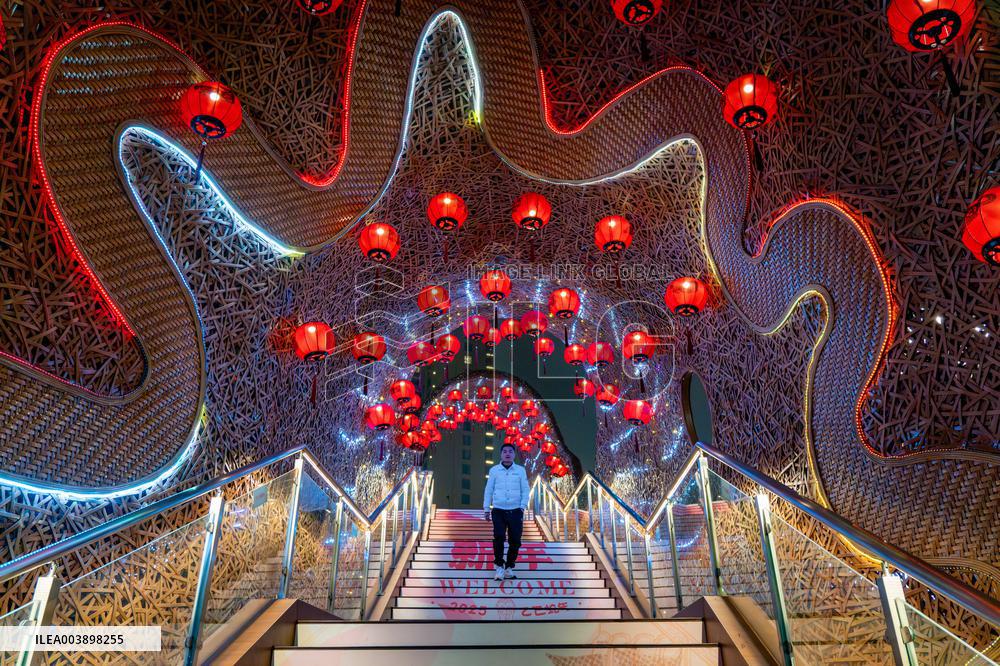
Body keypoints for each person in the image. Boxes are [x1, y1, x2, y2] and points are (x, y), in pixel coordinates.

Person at [483, 442, 530, 581]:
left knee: (515, 540)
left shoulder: (520, 470)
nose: (508, 453)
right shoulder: (494, 470)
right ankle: (499, 567)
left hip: (516, 510)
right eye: (505, 451)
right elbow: (489, 489)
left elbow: (525, 489)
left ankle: (509, 568)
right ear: (501, 454)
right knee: (498, 537)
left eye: (510, 451)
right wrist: (486, 508)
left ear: (514, 454)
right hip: (498, 509)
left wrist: (522, 506)